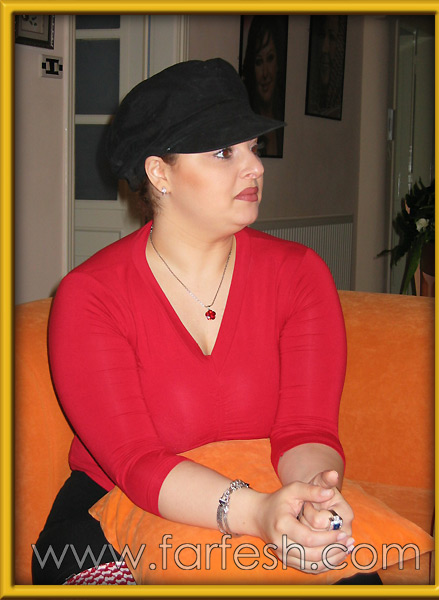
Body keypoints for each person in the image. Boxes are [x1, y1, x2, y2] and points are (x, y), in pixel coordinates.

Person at [32, 58, 380, 585]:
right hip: (115, 509)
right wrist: (256, 514)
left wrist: (313, 497)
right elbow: (136, 462)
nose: (255, 167)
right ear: (159, 173)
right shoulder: (91, 296)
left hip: (265, 489)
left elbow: (306, 430)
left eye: (252, 148)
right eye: (223, 152)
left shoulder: (300, 274)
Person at [242, 16, 288, 156]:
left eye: (270, 58)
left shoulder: (280, 118)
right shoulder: (246, 123)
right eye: (259, 62)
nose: (265, 73)